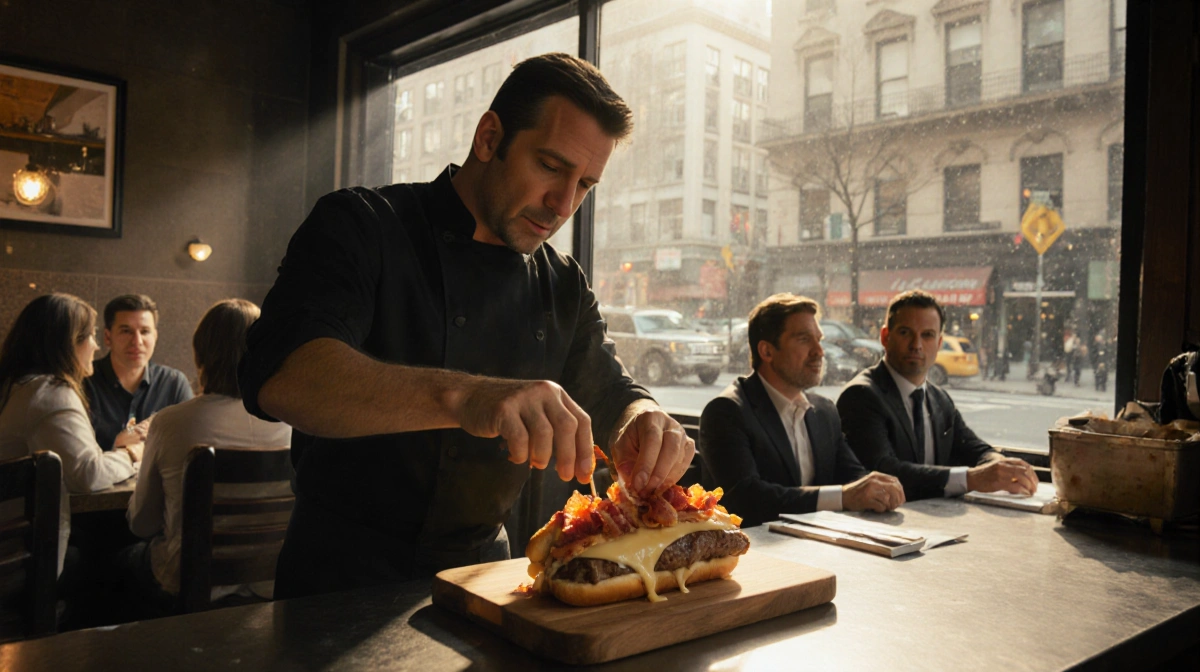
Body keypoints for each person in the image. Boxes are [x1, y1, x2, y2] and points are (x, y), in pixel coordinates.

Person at [237, 53, 694, 599]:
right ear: (488, 137)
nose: (563, 204)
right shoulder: (362, 224)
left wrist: (642, 418)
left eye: (586, 185)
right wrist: (466, 397)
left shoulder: (563, 283)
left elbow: (612, 389)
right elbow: (286, 374)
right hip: (339, 580)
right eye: (550, 166)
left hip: (484, 579)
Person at [123, 299, 292, 615]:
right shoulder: (294, 422)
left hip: (185, 581)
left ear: (199, 354)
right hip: (273, 583)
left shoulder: (171, 422)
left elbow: (142, 525)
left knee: (118, 561)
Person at [699, 294, 904, 527]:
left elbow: (852, 475)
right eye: (804, 339)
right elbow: (747, 499)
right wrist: (844, 496)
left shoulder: (824, 411)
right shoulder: (726, 412)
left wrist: (875, 488)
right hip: (755, 553)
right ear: (767, 352)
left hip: (819, 547)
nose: (819, 351)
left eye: (819, 339)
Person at [838, 290, 1038, 501]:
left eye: (927, 335)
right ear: (885, 337)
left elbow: (974, 448)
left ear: (939, 343)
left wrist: (999, 465)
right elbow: (884, 471)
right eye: (905, 333)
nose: (916, 345)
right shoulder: (861, 395)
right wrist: (971, 479)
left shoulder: (939, 399)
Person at [0, 294, 139, 576]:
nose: (96, 346)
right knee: (108, 562)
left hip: (11, 541)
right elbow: (87, 474)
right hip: (20, 559)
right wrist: (131, 454)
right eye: (90, 336)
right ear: (67, 343)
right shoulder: (51, 392)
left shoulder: (15, 386)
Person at [83, 294, 193, 452]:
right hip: (101, 475)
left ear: (155, 336)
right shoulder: (85, 381)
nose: (137, 341)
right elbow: (74, 453)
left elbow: (188, 445)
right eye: (126, 331)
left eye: (145, 331)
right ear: (107, 337)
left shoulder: (173, 383)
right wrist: (116, 444)